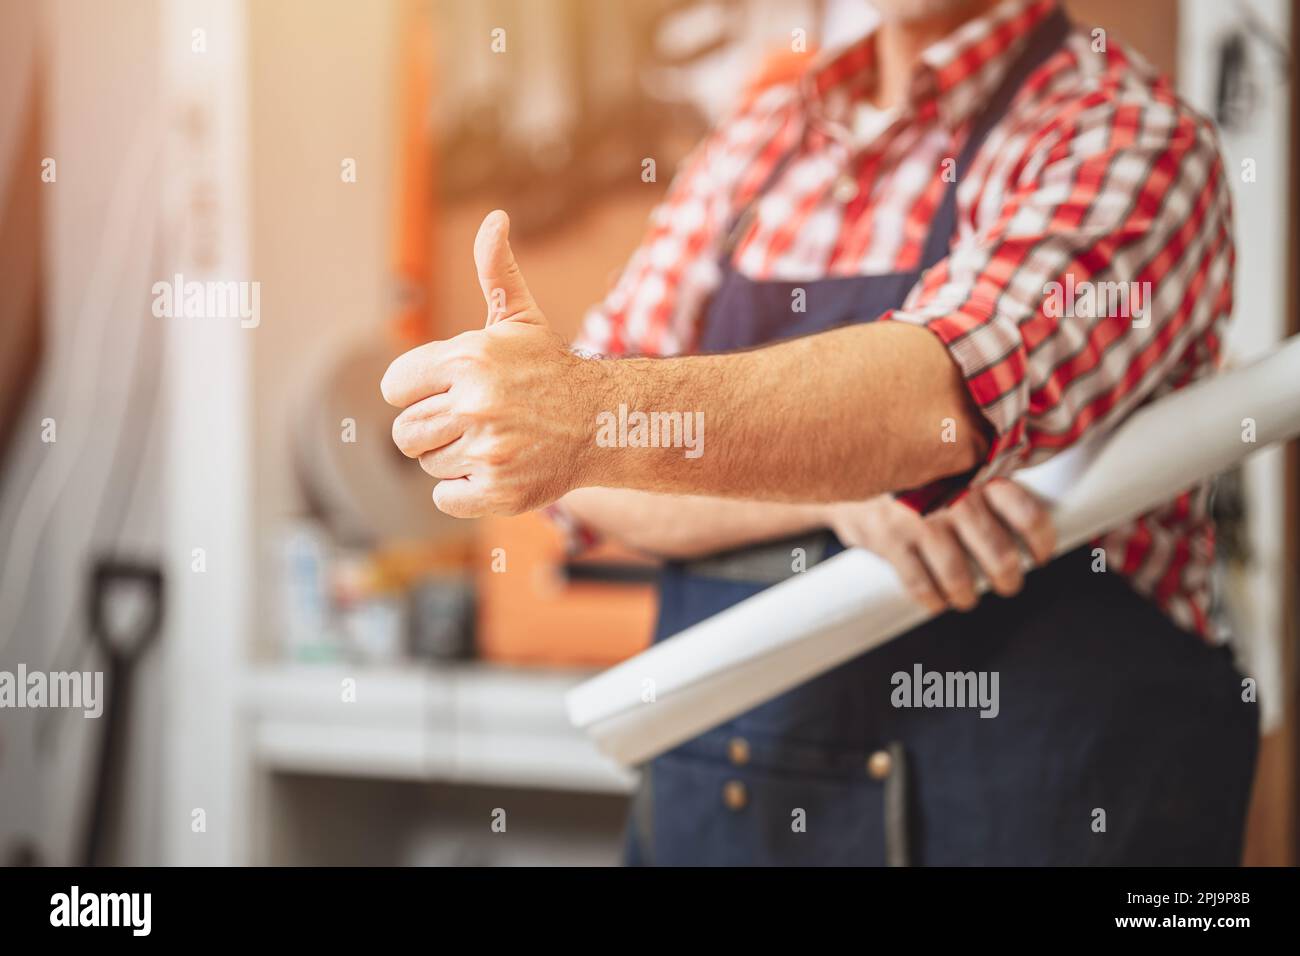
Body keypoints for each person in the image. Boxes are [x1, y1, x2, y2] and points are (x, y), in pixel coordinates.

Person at [382, 0, 1256, 865]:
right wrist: (841, 498)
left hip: (1046, 802)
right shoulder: (760, 141)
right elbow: (591, 477)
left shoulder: (1126, 139)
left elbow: (937, 403)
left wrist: (589, 412)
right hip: (728, 816)